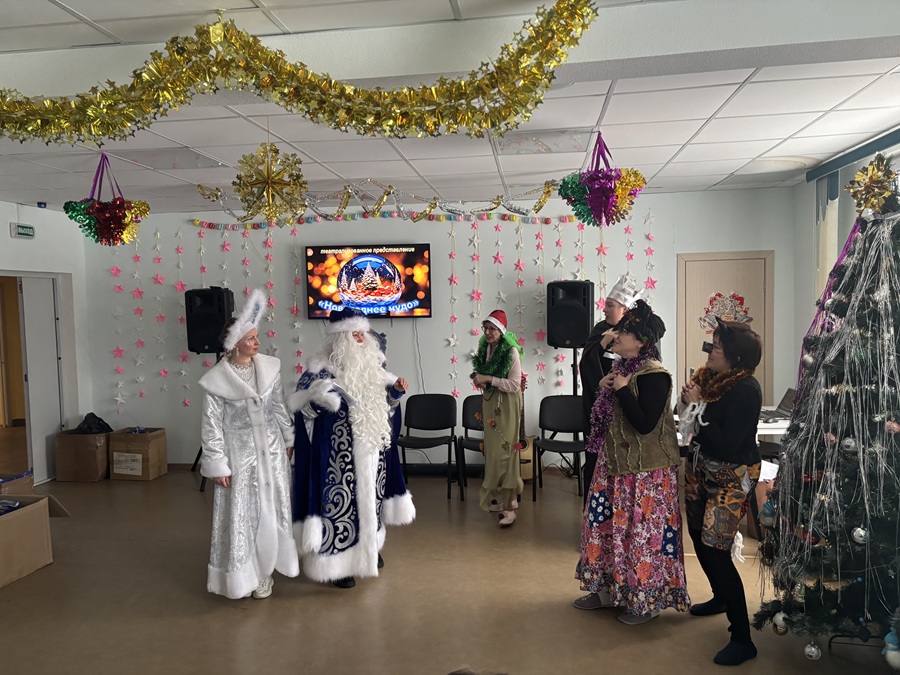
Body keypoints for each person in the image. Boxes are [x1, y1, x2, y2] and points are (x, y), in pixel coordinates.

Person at [574, 300, 689, 624]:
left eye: (623, 332)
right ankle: (606, 590)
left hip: (645, 475)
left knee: (641, 538)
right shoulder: (622, 370)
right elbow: (604, 417)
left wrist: (623, 391)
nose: (616, 336)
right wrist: (605, 388)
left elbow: (644, 424)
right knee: (606, 531)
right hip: (614, 466)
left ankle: (646, 601)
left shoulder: (655, 375)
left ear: (640, 341)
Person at [289, 307, 414, 589]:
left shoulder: (375, 367)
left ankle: (368, 550)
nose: (360, 338)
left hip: (371, 453)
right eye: (354, 334)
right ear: (340, 338)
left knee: (371, 503)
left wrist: (394, 395)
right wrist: (322, 402)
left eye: (362, 333)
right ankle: (339, 565)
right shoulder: (318, 371)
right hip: (336, 457)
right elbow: (302, 411)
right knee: (340, 507)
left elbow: (387, 409)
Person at [198, 288, 299, 600]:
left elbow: (279, 406)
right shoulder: (216, 380)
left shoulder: (270, 367)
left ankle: (267, 572)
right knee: (244, 514)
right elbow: (211, 425)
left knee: (272, 510)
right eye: (251, 338)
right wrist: (217, 464)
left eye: (257, 337)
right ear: (235, 343)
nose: (257, 342)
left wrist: (288, 437)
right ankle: (244, 575)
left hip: (273, 452)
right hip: (240, 456)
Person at [678, 320, 762, 666]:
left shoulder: (747, 390)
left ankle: (742, 638)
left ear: (735, 358)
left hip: (732, 475)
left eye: (716, 347)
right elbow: (688, 426)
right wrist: (687, 402)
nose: (709, 351)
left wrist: (698, 407)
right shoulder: (711, 380)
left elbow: (727, 444)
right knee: (698, 535)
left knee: (716, 550)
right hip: (701, 469)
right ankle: (720, 597)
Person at [578, 274, 639, 500]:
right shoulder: (600, 329)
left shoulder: (638, 333)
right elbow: (586, 365)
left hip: (624, 408)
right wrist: (603, 342)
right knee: (595, 460)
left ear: (625, 309)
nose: (604, 310)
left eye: (610, 305)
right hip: (598, 407)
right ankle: (592, 509)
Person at [471, 309, 524, 527]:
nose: (488, 332)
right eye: (486, 328)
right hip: (491, 404)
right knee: (493, 454)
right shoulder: (486, 348)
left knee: (506, 453)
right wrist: (480, 379)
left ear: (501, 331)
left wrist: (489, 379)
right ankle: (501, 498)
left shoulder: (511, 351)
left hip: (508, 405)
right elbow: (485, 376)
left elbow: (514, 384)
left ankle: (509, 507)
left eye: (492, 329)